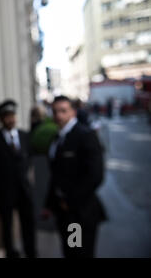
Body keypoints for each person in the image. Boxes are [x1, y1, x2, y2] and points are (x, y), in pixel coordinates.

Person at [42, 96, 107, 258]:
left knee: (78, 253)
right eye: (55, 111)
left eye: (63, 111)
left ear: (73, 112)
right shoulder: (58, 138)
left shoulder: (84, 135)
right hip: (65, 213)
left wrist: (69, 202)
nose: (59, 115)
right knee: (70, 251)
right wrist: (49, 204)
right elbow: (56, 174)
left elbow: (95, 175)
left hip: (79, 213)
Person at [0, 100, 36, 258]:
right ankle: (11, 253)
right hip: (4, 192)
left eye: (12, 116)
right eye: (6, 116)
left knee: (28, 225)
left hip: (24, 191)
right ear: (0, 119)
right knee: (7, 226)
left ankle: (31, 252)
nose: (10, 119)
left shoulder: (25, 136)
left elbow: (29, 158)